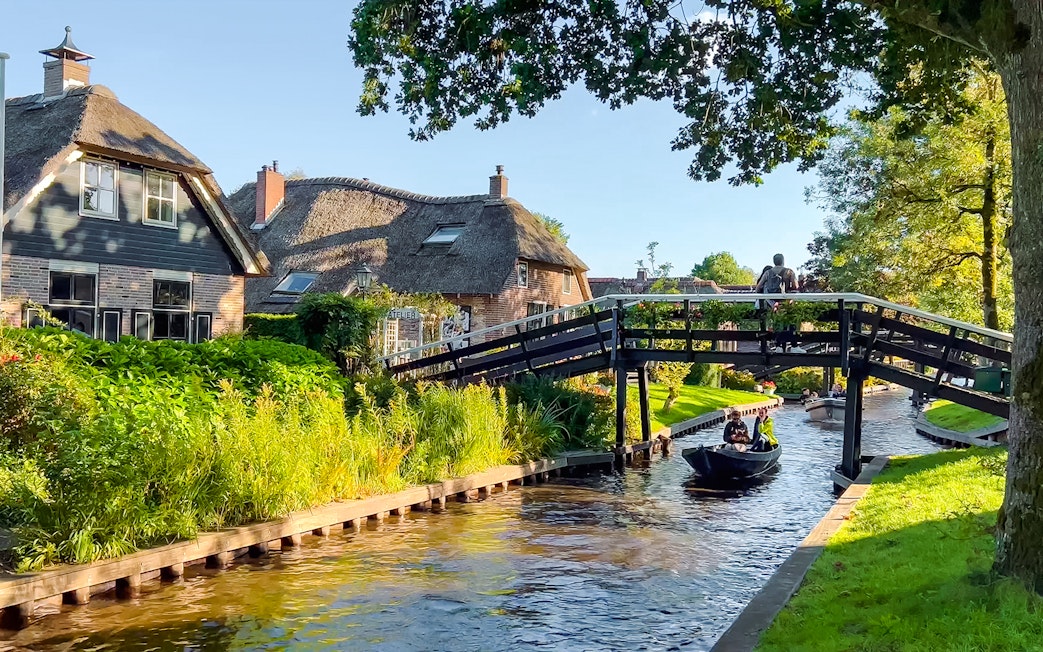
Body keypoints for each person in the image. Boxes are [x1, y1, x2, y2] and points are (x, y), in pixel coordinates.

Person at [756, 253, 804, 354]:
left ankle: (778, 347)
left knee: (777, 323)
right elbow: (796, 287)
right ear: (783, 261)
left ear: (774, 262)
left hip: (772, 303)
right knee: (791, 321)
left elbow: (758, 288)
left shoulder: (768, 273)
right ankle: (794, 346)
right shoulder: (789, 272)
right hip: (785, 302)